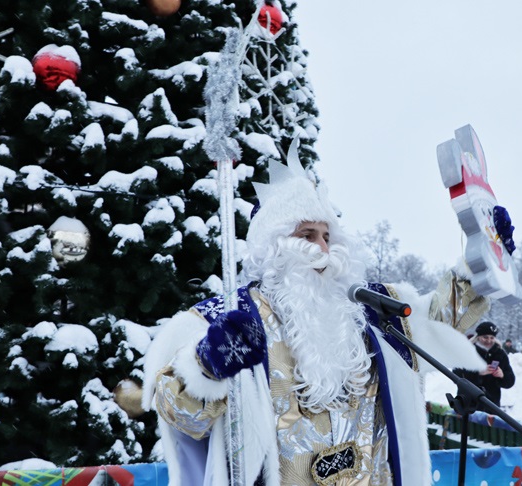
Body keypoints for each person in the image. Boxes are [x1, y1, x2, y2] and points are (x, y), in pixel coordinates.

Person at [141, 155, 492, 486]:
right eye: (307, 235)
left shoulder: (371, 311)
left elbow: (438, 321)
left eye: (327, 236)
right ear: (273, 246)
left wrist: (483, 261)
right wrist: (206, 367)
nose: (323, 249)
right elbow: (182, 418)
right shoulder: (226, 322)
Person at [454, 321, 516, 411]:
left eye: (492, 337)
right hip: (468, 403)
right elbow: (456, 374)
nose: (489, 340)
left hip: (491, 405)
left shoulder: (500, 353)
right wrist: (477, 373)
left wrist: (502, 375)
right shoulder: (467, 351)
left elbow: (511, 381)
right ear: (478, 336)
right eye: (485, 337)